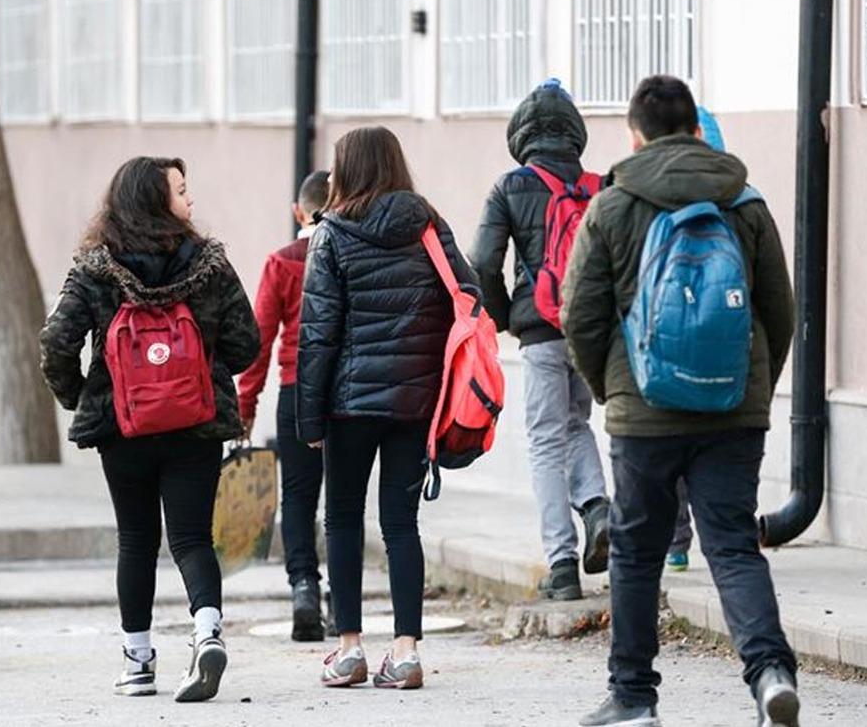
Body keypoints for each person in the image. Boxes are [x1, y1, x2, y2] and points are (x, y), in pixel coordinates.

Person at [562, 76, 799, 726]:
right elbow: (780, 312)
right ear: (696, 129)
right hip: (733, 410)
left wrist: (611, 389)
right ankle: (771, 672)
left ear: (634, 134)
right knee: (731, 543)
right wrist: (753, 388)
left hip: (643, 410)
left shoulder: (612, 204)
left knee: (637, 550)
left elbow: (579, 314)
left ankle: (635, 698)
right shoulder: (743, 201)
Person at [40, 157, 260, 702]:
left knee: (136, 540)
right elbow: (246, 344)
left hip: (123, 426)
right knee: (191, 537)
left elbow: (56, 343)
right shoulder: (210, 267)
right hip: (197, 424)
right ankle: (207, 631)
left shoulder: (94, 268)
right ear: (158, 201)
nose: (191, 202)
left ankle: (138, 661)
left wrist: (82, 396)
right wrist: (200, 371)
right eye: (182, 192)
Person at [296, 126, 478, 690]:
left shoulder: (330, 235)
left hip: (348, 405)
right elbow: (469, 294)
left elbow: (318, 334)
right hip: (415, 401)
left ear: (345, 170)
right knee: (402, 524)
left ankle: (349, 650)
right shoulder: (428, 226)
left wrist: (308, 416)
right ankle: (406, 652)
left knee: (344, 519)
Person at [470, 78, 610, 601]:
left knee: (546, 440)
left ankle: (562, 562)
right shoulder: (600, 187)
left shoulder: (511, 187)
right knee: (578, 422)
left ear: (521, 134)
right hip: (593, 333)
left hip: (542, 331)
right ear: (574, 132)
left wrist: (508, 316)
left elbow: (482, 262)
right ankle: (598, 507)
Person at [237, 170, 332, 642]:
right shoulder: (352, 256)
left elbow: (259, 340)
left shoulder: (282, 262)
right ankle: (341, 591)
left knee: (298, 496)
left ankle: (303, 588)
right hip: (347, 393)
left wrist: (246, 402)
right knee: (344, 497)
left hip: (297, 392)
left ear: (299, 211)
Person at [666, 105, 726, 574]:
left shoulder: (654, 201)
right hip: (724, 345)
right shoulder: (742, 201)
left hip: (671, 343)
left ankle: (677, 541)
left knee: (673, 445)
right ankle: (723, 540)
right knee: (716, 445)